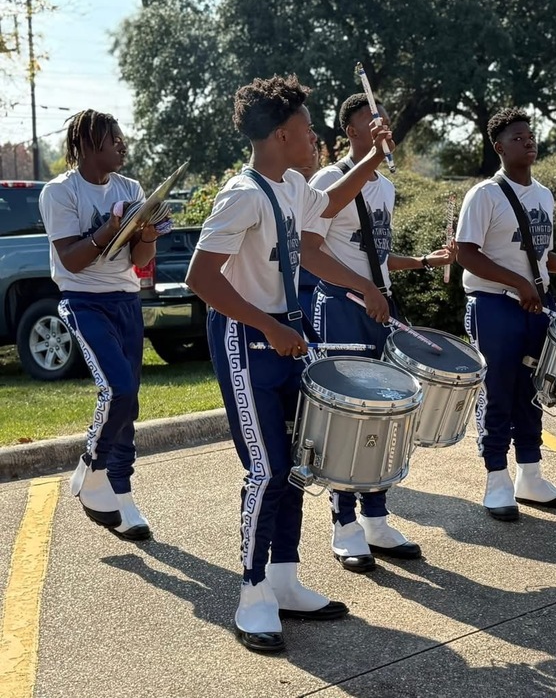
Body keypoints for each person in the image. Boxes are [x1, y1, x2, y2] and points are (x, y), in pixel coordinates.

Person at [186, 74, 391, 653]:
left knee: (298, 463)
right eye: (306, 130)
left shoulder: (293, 184)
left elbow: (331, 204)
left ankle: (285, 578)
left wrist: (375, 156)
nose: (314, 139)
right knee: (266, 470)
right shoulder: (242, 194)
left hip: (286, 339)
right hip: (247, 342)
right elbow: (200, 279)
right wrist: (269, 324)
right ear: (279, 134)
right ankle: (252, 593)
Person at [303, 92, 452, 572]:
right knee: (347, 416)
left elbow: (376, 255)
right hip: (343, 310)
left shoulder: (384, 187)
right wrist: (365, 288)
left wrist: (425, 261)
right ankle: (343, 523)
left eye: (383, 118)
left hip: (376, 308)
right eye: (371, 120)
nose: (382, 124)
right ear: (350, 130)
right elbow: (310, 250)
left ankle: (376, 517)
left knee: (385, 415)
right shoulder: (329, 180)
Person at [455, 107, 556, 521]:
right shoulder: (485, 195)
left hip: (535, 307)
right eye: (517, 137)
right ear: (498, 147)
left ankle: (530, 474)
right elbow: (466, 255)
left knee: (533, 392)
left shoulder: (543, 194)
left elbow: (541, 259)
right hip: (493, 306)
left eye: (530, 135)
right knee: (498, 393)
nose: (528, 141)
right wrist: (516, 283)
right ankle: (496, 479)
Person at [39, 109, 169, 541]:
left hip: (126, 301)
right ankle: (93, 467)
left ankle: (122, 494)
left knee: (128, 406)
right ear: (91, 143)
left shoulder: (130, 187)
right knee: (119, 389)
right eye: (114, 139)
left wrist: (147, 232)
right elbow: (72, 261)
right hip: (84, 301)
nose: (122, 146)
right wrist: (110, 228)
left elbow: (139, 260)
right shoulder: (60, 192)